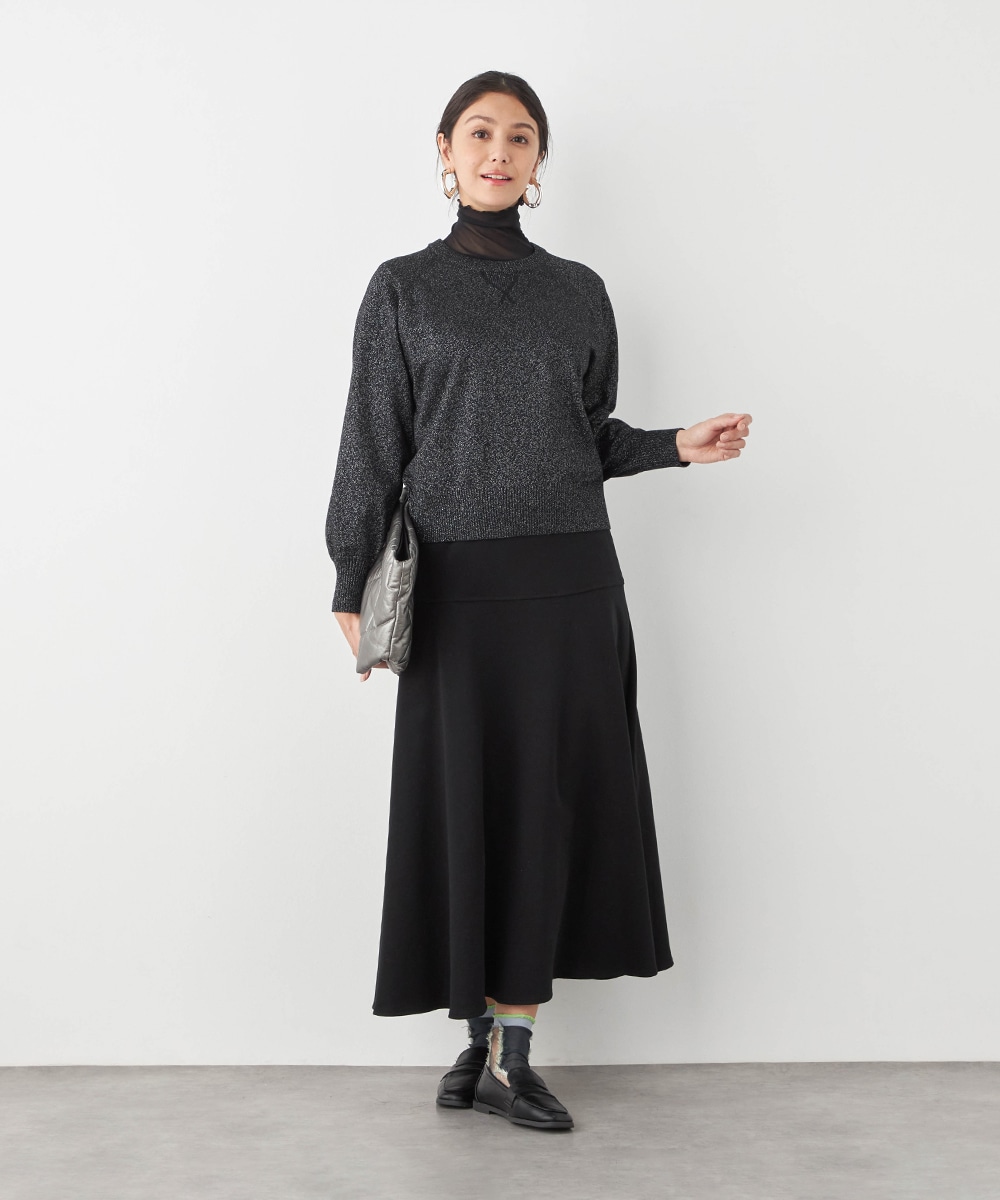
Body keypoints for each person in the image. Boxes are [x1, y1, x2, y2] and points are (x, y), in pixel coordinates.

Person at [324, 70, 753, 1133]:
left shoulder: (579, 291)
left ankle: (512, 1053)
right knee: (464, 807)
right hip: (456, 591)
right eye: (479, 133)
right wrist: (349, 579)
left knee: (548, 808)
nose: (499, 152)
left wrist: (674, 446)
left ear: (538, 161)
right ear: (444, 151)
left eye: (520, 137)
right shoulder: (401, 289)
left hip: (570, 585)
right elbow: (371, 443)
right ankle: (476, 1044)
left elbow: (585, 436)